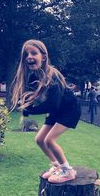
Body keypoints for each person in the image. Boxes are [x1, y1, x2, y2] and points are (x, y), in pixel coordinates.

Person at [11, 39, 81, 183]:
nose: (29, 56)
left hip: (69, 110)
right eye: (26, 54)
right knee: (39, 140)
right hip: (57, 111)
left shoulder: (53, 76)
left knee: (49, 140)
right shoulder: (33, 76)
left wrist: (30, 109)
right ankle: (57, 165)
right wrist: (26, 105)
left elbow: (52, 105)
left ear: (43, 57)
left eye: (33, 53)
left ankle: (68, 171)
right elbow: (32, 97)